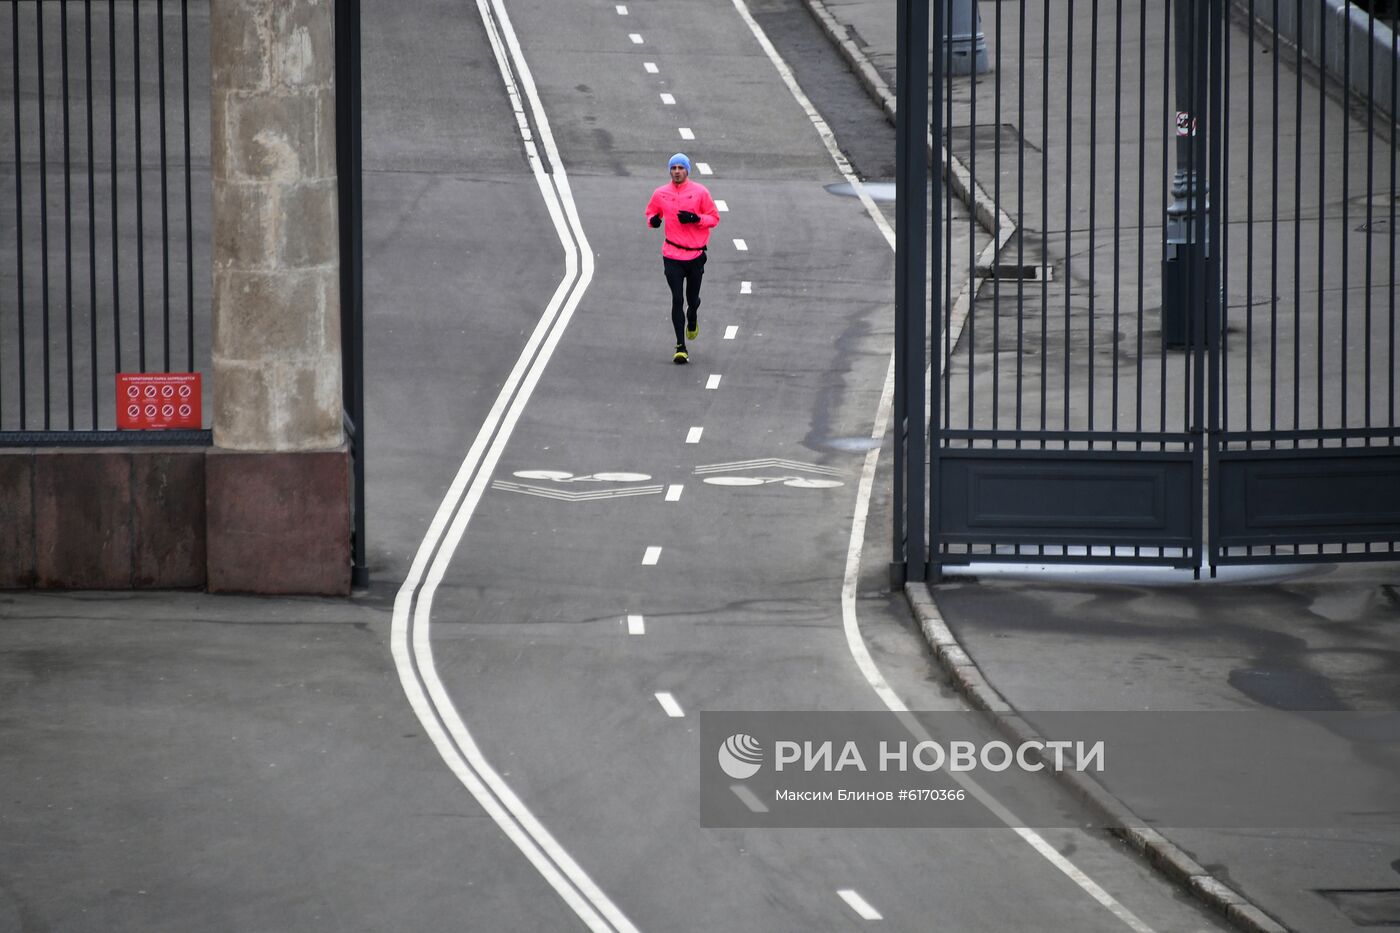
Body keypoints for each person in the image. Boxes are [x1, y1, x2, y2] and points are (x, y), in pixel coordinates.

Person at [644, 153, 720, 364]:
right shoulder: (661, 193)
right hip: (672, 254)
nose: (677, 171)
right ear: (670, 171)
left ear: (687, 170)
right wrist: (654, 221)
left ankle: (693, 316)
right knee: (677, 299)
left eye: (681, 167)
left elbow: (714, 218)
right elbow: (651, 213)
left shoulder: (700, 192)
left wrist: (696, 219)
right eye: (673, 168)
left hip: (695, 254)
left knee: (691, 300)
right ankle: (680, 346)